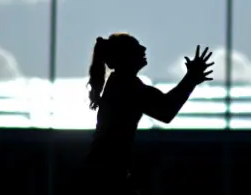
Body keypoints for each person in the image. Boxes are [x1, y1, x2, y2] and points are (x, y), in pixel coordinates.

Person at [73, 33, 214, 195]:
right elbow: (166, 110)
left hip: (103, 176)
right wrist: (190, 79)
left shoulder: (123, 83)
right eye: (136, 46)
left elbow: (165, 109)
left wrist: (190, 79)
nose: (143, 48)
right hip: (106, 178)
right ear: (125, 56)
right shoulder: (127, 85)